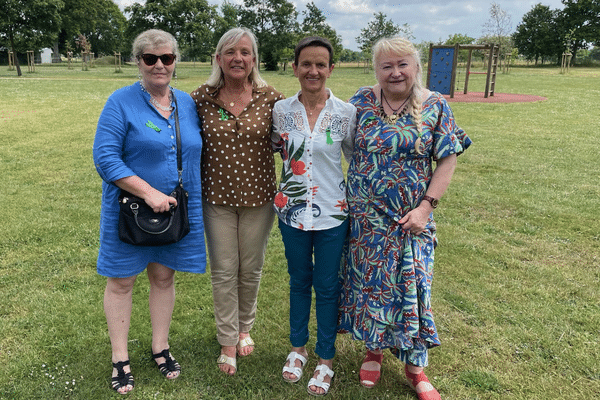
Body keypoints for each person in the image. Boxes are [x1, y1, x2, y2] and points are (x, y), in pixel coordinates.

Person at [337, 36, 472, 400]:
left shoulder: (436, 105)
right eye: (386, 66)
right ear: (376, 70)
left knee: (414, 288)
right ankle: (374, 350)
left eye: (402, 65)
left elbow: (448, 158)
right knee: (372, 287)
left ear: (416, 67)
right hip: (366, 218)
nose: (395, 73)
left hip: (412, 218)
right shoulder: (361, 102)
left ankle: (416, 367)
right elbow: (338, 143)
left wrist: (426, 207)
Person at [93, 29, 206, 394]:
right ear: (137, 62)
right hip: (129, 211)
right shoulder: (120, 101)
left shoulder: (186, 103)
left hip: (174, 212)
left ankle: (160, 346)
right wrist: (149, 193)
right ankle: (120, 357)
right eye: (150, 58)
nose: (159, 65)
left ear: (176, 61)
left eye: (167, 58)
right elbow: (105, 157)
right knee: (122, 281)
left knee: (163, 278)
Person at [190, 27, 283, 376]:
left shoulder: (271, 98)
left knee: (251, 268)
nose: (237, 58)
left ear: (254, 58)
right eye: (230, 52)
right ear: (218, 58)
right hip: (216, 198)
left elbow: (291, 141)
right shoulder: (200, 98)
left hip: (260, 199)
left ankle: (245, 327)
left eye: (245, 52)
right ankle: (228, 339)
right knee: (224, 270)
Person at [272, 36, 356, 397]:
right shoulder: (280, 110)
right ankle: (297, 350)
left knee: (327, 286)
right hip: (290, 212)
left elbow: (354, 158)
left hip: (332, 216)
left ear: (331, 69)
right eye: (306, 63)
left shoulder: (346, 113)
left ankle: (325, 359)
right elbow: (281, 152)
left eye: (321, 64)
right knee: (298, 281)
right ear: (295, 68)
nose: (313, 70)